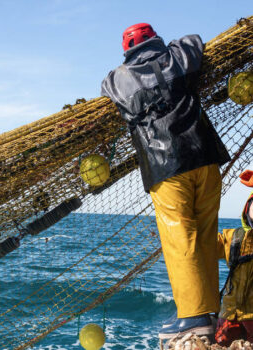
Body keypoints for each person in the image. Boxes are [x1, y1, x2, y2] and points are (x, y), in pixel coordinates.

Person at [101, 23, 231, 339]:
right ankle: (207, 311)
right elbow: (193, 42)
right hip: (205, 159)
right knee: (203, 235)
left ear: (127, 52)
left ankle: (192, 317)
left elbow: (106, 86)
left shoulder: (120, 78)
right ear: (156, 41)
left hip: (166, 168)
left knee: (180, 241)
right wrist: (165, 50)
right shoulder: (177, 57)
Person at [215, 170, 253, 346]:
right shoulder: (233, 237)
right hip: (229, 315)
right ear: (247, 208)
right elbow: (210, 246)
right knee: (221, 345)